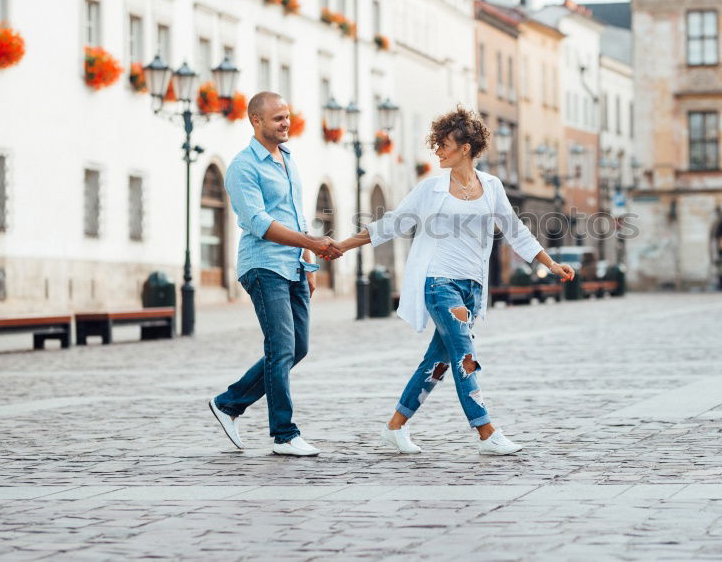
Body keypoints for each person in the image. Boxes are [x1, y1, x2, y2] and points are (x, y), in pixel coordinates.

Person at [335, 106, 575, 455]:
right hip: (439, 283)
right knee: (465, 354)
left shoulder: (491, 187)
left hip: (472, 289)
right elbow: (392, 223)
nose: (438, 150)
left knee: (438, 360)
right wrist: (341, 245)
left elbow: (515, 230)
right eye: (437, 144)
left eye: (444, 143)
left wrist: (550, 263)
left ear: (466, 147)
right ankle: (486, 431)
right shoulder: (429, 189)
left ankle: (395, 427)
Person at [208, 91, 342, 457]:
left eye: (287, 116)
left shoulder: (287, 160)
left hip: (294, 266)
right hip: (263, 266)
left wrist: (307, 262)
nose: (286, 123)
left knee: (298, 347)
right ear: (256, 121)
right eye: (277, 118)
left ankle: (229, 404)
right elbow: (259, 223)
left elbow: (296, 214)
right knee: (280, 347)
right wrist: (312, 243)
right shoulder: (242, 167)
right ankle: (284, 434)